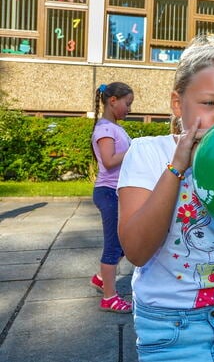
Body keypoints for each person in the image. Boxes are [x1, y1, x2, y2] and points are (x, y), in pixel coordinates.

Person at [117, 36, 214, 361]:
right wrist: (177, 167)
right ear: (178, 104)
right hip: (170, 327)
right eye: (210, 103)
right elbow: (137, 250)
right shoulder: (147, 152)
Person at [90, 82, 134, 314]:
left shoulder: (114, 127)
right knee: (114, 246)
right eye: (127, 104)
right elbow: (108, 161)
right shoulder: (105, 129)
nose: (130, 109)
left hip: (116, 193)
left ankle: (100, 278)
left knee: (125, 242)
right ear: (113, 101)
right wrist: (135, 149)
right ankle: (109, 297)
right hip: (108, 193)